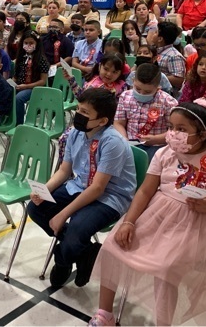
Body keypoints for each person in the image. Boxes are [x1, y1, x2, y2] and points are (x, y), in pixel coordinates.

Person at [89, 98, 206, 327]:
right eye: (170, 127)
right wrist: (129, 222)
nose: (173, 133)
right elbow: (145, 191)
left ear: (202, 133)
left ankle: (164, 323)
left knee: (166, 268)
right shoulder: (165, 153)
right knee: (112, 246)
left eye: (181, 129)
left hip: (202, 223)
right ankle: (104, 314)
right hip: (159, 214)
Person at [28, 88, 136, 289]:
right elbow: (64, 170)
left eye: (85, 112)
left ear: (102, 121)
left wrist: (63, 214)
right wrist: (44, 190)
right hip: (79, 186)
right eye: (78, 109)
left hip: (110, 197)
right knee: (36, 208)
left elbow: (98, 188)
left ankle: (63, 260)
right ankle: (87, 253)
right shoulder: (76, 133)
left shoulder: (113, 142)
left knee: (76, 229)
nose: (78, 114)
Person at [114, 63, 178, 160]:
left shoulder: (168, 102)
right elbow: (119, 123)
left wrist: (155, 139)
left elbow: (175, 131)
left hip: (157, 146)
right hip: (130, 142)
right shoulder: (125, 96)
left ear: (158, 88)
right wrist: (124, 139)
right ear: (133, 81)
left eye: (147, 92)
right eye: (138, 89)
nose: (141, 93)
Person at [14, 31, 50, 124]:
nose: (28, 45)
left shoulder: (41, 59)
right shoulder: (21, 57)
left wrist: (25, 86)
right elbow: (16, 75)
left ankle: (19, 124)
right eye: (26, 43)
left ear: (37, 44)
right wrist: (11, 83)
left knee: (19, 98)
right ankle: (9, 119)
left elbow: (43, 81)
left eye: (31, 43)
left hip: (35, 88)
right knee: (6, 92)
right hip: (20, 85)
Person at [149, 21, 186, 92]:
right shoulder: (153, 51)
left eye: (155, 32)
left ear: (160, 39)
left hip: (166, 93)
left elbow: (179, 80)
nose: (153, 34)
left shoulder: (174, 56)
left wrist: (154, 77)